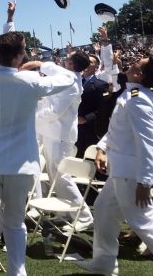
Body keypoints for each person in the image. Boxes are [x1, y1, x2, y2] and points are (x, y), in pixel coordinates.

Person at [0, 31, 74, 276]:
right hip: (21, 164)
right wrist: (43, 64)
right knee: (15, 223)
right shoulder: (31, 80)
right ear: (20, 56)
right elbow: (70, 78)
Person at [76, 55, 153, 274]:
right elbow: (118, 129)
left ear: (139, 74)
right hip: (120, 170)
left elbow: (148, 143)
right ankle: (104, 262)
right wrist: (101, 148)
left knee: (144, 225)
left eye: (138, 63)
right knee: (103, 210)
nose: (133, 62)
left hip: (130, 174)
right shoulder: (132, 94)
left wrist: (145, 181)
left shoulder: (138, 100)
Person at [35, 51, 94, 230]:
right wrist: (37, 64)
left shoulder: (71, 83)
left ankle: (84, 216)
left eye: (68, 58)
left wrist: (31, 119)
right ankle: (66, 212)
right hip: (52, 133)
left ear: (70, 63)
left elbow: (55, 112)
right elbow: (50, 68)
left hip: (60, 135)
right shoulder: (66, 76)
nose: (64, 59)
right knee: (54, 175)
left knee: (61, 174)